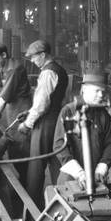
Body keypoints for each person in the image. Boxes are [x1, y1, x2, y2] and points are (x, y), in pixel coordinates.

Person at [18, 40, 68, 208]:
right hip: (56, 121)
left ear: (42, 55)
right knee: (56, 163)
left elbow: (42, 105)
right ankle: (61, 205)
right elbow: (50, 100)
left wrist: (27, 124)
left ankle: (31, 210)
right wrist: (29, 112)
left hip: (44, 123)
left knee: (36, 167)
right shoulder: (60, 70)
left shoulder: (48, 73)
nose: (32, 61)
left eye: (33, 57)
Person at [52, 71, 111, 189]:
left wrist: (101, 168)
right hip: (71, 177)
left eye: (103, 91)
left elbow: (110, 144)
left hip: (96, 177)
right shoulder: (68, 111)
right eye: (97, 91)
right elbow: (59, 145)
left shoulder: (103, 115)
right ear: (84, 89)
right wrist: (79, 173)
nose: (101, 95)